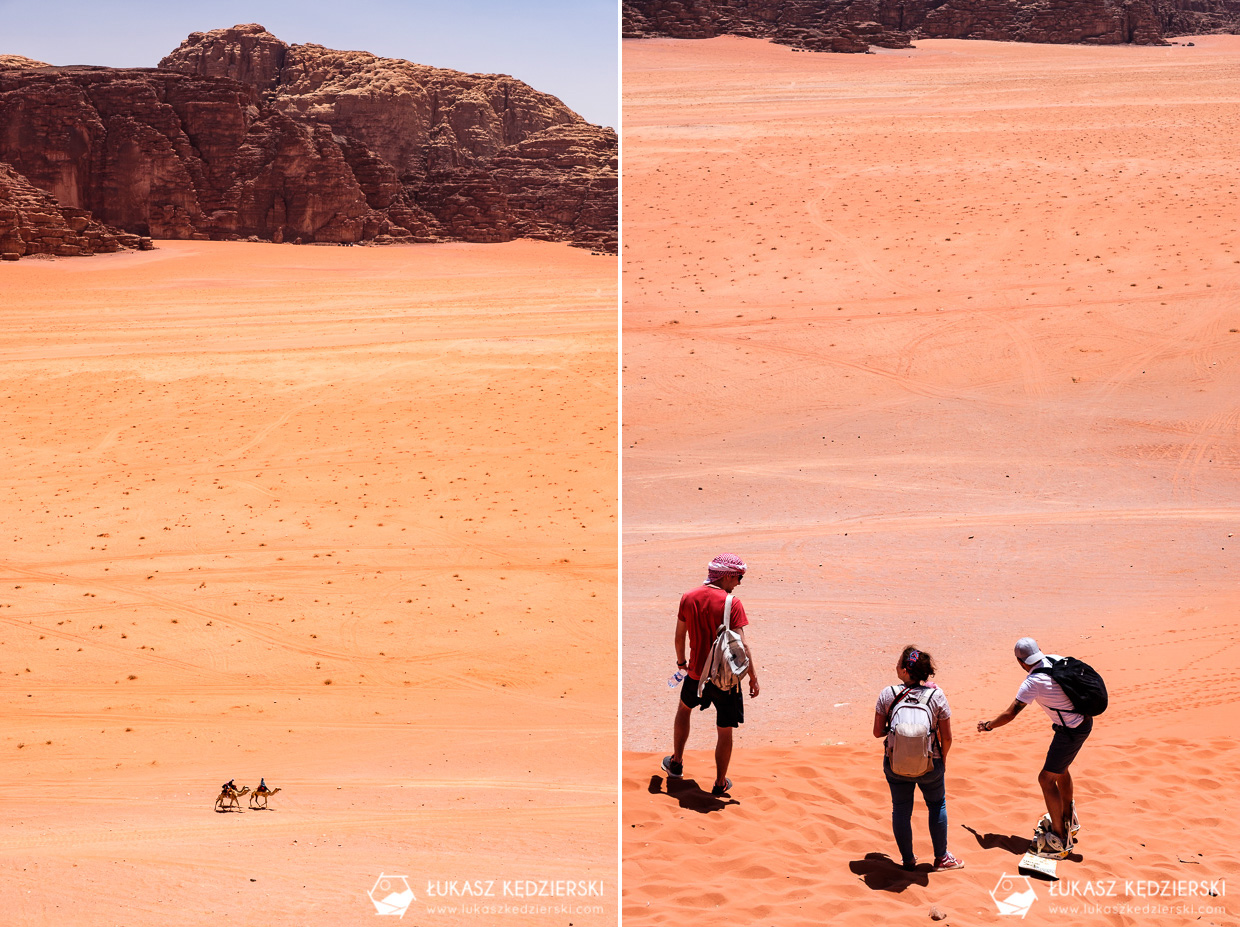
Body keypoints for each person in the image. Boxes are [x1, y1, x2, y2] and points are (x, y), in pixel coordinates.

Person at [977, 637, 1090, 858]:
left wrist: (988, 726)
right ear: (1040, 651)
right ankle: (1068, 819)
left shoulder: (1032, 682)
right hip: (1084, 720)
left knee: (1045, 779)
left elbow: (1010, 714)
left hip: (1071, 730)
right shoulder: (1056, 659)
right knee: (1061, 769)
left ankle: (1059, 840)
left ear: (1020, 662)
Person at [661, 553, 760, 797]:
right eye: (738, 577)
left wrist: (682, 663)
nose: (738, 582)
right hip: (726, 679)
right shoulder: (732, 603)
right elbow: (742, 646)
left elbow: (678, 636)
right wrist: (753, 677)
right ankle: (719, 782)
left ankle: (676, 763)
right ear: (726, 575)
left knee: (685, 709)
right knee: (725, 729)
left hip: (696, 674)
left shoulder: (688, 597)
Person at [873, 646, 963, 872]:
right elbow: (948, 737)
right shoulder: (936, 696)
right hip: (930, 764)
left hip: (896, 764)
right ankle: (941, 858)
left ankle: (908, 860)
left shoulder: (888, 694)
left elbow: (876, 732)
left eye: (898, 664)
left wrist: (896, 733)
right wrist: (942, 759)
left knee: (901, 809)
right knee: (937, 805)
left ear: (904, 670)